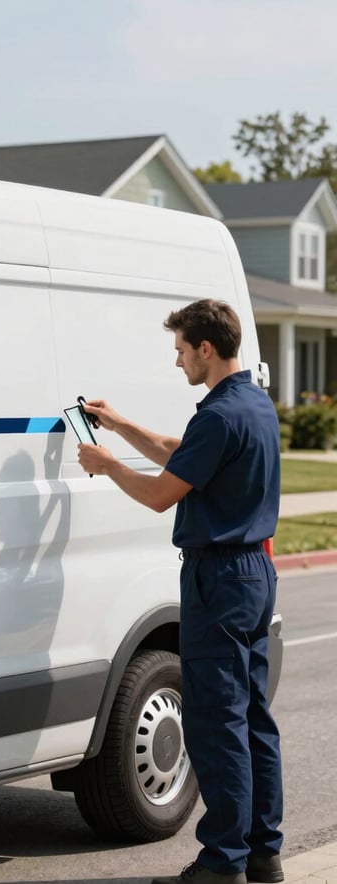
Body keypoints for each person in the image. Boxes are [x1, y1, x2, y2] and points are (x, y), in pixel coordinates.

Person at [77, 299, 283, 884]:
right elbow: (182, 452)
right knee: (253, 722)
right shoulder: (253, 405)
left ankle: (222, 863)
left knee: (218, 724)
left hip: (219, 579)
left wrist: (106, 463)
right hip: (254, 574)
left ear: (205, 349)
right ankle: (263, 853)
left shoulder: (218, 415)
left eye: (180, 351)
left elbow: (161, 494)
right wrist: (120, 425)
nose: (177, 362)